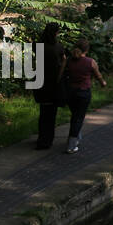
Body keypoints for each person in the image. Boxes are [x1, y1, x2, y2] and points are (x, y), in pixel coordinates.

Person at [63, 38, 106, 154]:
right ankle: (71, 145)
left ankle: (76, 137)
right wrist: (103, 83)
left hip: (70, 92)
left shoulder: (68, 60)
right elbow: (98, 75)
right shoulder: (90, 62)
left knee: (75, 116)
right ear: (87, 50)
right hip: (83, 93)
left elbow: (60, 74)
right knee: (78, 118)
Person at [33, 22, 67, 150]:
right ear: (55, 33)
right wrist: (60, 75)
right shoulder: (58, 47)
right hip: (53, 83)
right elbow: (64, 59)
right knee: (51, 114)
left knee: (43, 113)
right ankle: (48, 139)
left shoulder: (37, 45)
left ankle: (42, 138)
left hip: (41, 82)